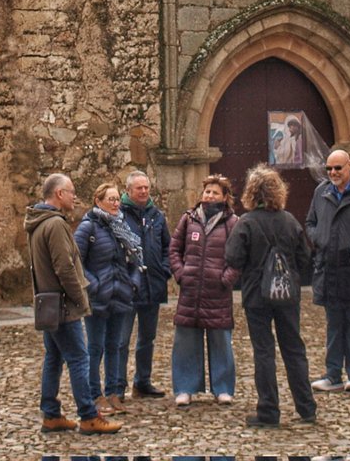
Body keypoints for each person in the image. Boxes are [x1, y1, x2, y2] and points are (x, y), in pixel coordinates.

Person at [24, 172, 123, 435]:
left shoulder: (38, 221)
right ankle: (89, 416)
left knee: (54, 358)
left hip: (49, 303)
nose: (74, 196)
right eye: (70, 191)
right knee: (79, 358)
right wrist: (81, 297)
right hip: (63, 305)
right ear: (58, 194)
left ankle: (51, 414)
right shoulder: (54, 224)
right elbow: (64, 268)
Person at [225, 163, 316, 428]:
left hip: (257, 294)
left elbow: (233, 257)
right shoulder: (289, 221)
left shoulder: (247, 222)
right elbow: (304, 257)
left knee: (264, 352)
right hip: (287, 294)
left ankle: (268, 411)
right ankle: (306, 408)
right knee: (294, 349)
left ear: (251, 192)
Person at [169, 174, 240, 407]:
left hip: (217, 292)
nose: (210, 196)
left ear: (225, 197)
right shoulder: (189, 220)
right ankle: (185, 388)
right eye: (207, 192)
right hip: (190, 291)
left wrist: (226, 279)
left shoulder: (232, 222)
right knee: (186, 341)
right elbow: (174, 249)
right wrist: (181, 273)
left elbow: (238, 256)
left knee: (221, 341)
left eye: (215, 193)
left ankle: (223, 388)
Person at [74, 181, 144, 414]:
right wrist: (94, 285)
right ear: (98, 201)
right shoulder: (88, 228)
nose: (116, 203)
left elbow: (135, 259)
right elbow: (76, 262)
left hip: (121, 295)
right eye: (110, 199)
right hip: (98, 297)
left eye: (117, 199)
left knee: (114, 345)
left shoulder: (123, 227)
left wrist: (133, 282)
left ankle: (113, 392)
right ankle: (95, 394)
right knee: (95, 348)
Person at [305, 148, 350, 393]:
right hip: (328, 265)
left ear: (349, 165)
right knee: (334, 323)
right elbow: (310, 222)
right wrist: (318, 238)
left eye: (337, 168)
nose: (332, 173)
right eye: (329, 168)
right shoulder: (321, 192)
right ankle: (332, 374)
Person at [118, 170, 171, 398]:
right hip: (127, 288)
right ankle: (117, 385)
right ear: (128, 190)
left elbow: (168, 247)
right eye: (139, 188)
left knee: (147, 338)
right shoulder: (118, 216)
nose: (143, 191)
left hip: (152, 286)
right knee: (121, 340)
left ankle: (142, 382)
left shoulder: (156, 216)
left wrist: (164, 270)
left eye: (146, 187)